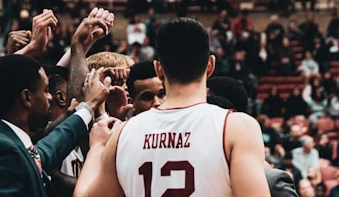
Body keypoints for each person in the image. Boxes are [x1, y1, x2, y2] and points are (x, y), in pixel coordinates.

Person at [74, 18, 270, 197]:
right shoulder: (237, 128)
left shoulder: (123, 133)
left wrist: (98, 146)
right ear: (210, 65)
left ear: (159, 70)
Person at [0, 55, 112, 196]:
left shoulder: (2, 141)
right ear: (27, 98)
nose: (50, 97)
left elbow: (48, 149)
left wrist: (89, 106)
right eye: (45, 90)